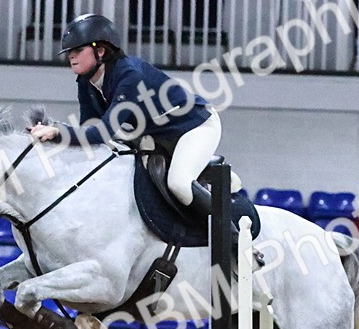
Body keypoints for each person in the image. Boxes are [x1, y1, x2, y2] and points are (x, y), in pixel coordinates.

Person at [28, 13, 221, 216]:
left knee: (179, 184)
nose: (71, 56)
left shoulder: (129, 75)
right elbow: (89, 129)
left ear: (100, 51)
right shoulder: (86, 82)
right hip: (158, 135)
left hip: (195, 126)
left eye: (77, 50)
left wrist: (58, 131)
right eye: (69, 52)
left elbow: (101, 133)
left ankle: (232, 238)